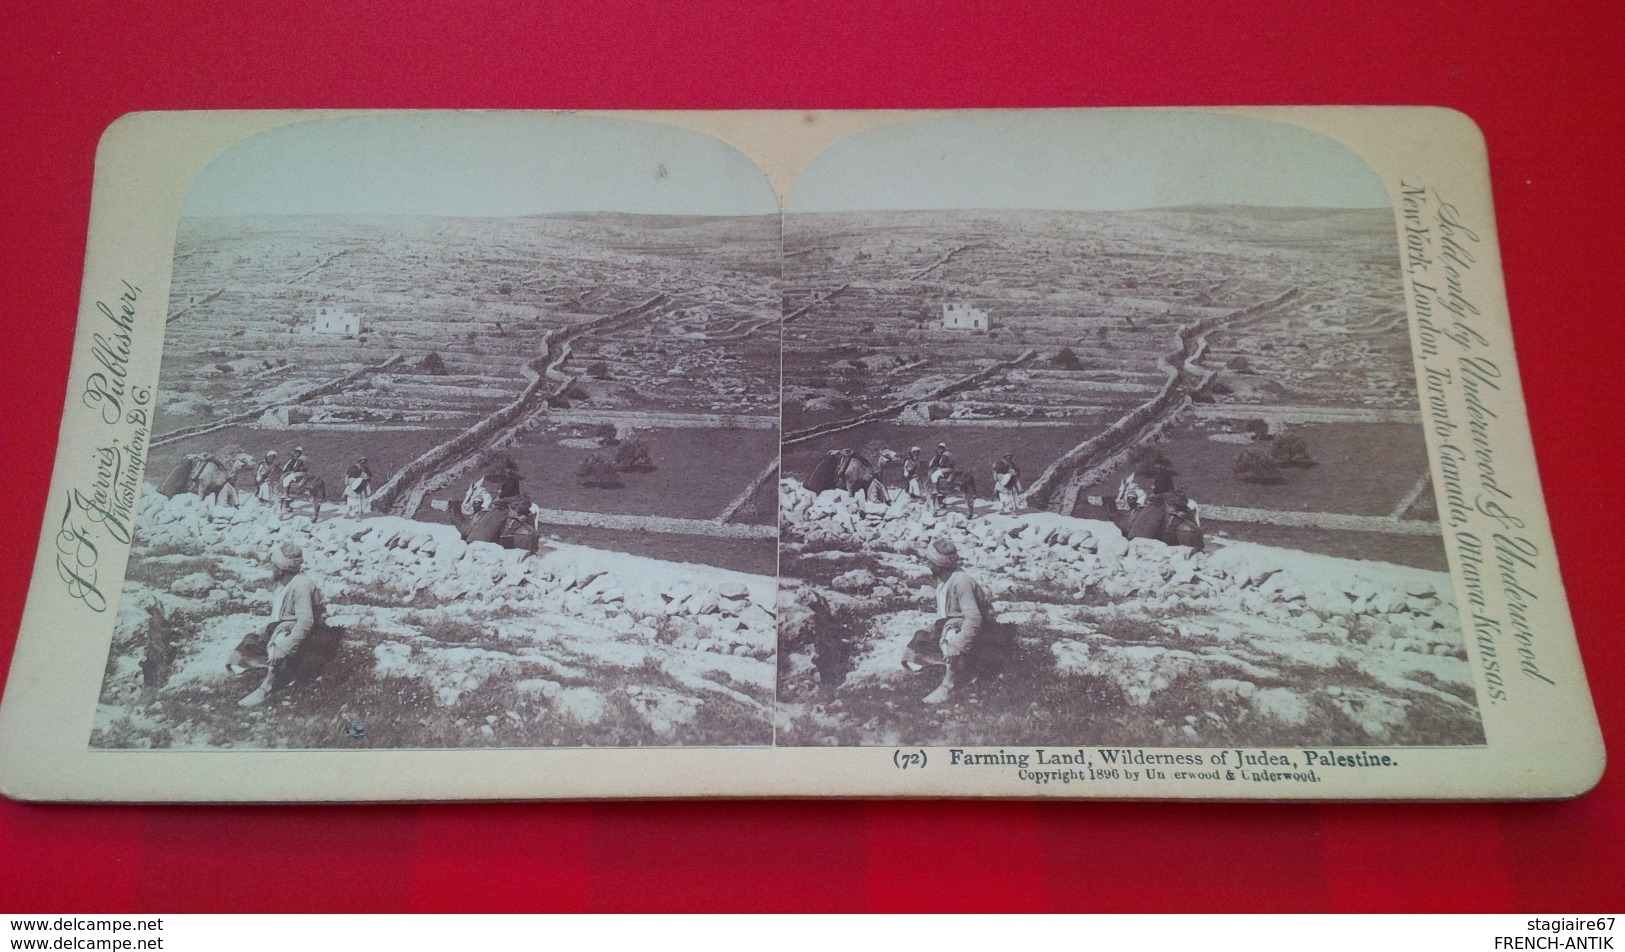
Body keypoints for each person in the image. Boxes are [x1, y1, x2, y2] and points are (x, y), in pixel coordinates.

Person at [909, 538, 1003, 705]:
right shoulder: (942, 578)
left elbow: (974, 618)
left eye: (929, 561)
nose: (927, 564)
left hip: (979, 629)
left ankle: (948, 684)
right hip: (953, 621)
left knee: (951, 637)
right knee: (918, 644)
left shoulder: (961, 581)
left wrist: (957, 643)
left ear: (939, 564)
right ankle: (963, 667)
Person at [237, 541, 328, 707]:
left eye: (273, 566)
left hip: (308, 632)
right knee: (242, 654)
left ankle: (266, 687)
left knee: (278, 643)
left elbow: (306, 621)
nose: (271, 569)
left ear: (280, 569)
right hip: (284, 624)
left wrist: (285, 646)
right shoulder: (282, 584)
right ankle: (282, 669)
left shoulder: (301, 585)